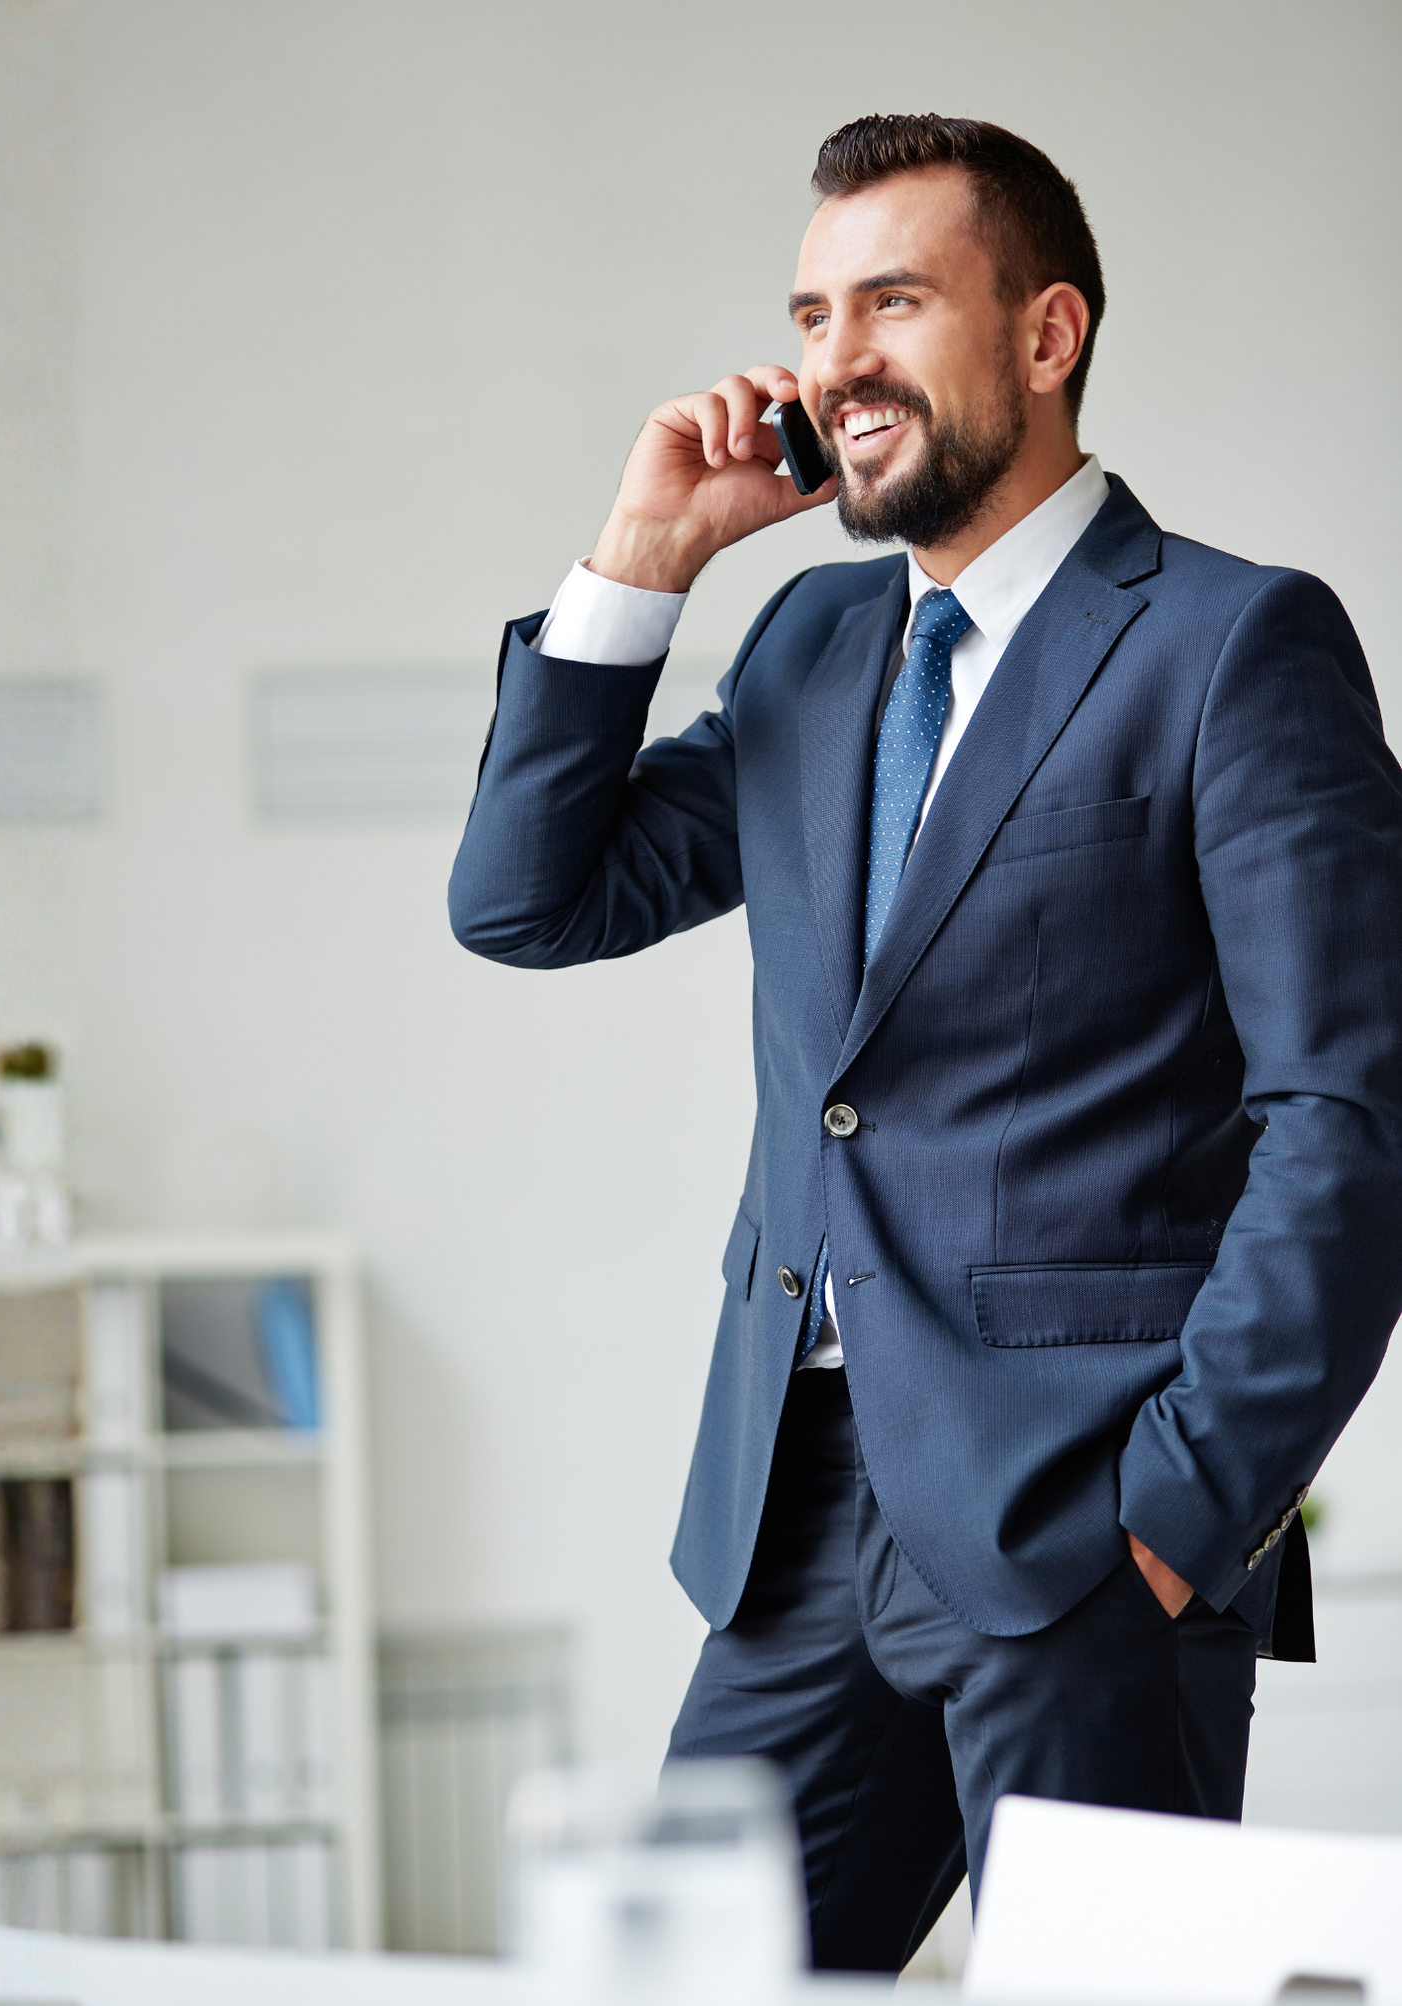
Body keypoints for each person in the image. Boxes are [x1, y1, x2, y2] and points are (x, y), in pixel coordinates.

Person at [447, 114, 1402, 1970]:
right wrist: (644, 560)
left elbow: (1350, 1123)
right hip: (793, 1522)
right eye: (813, 312)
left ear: (1048, 336)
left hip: (1085, 1532)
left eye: (894, 299)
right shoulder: (807, 645)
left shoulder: (1234, 646)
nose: (835, 359)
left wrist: (1179, 1515)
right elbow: (526, 899)